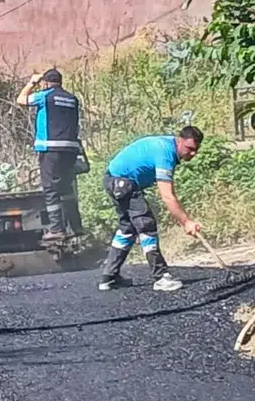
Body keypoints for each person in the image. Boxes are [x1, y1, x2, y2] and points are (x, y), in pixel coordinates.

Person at [98, 126, 204, 292]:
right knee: (146, 225)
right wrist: (186, 222)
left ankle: (109, 277)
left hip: (114, 180)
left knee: (127, 229)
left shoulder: (167, 147)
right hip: (122, 183)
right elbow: (167, 196)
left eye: (196, 150)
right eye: (189, 148)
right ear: (179, 140)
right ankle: (161, 277)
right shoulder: (165, 154)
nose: (192, 153)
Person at [16, 68, 84, 243]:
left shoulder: (44, 96)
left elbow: (21, 100)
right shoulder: (72, 99)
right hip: (70, 149)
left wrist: (32, 82)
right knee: (67, 188)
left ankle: (56, 229)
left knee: (50, 188)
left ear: (45, 83)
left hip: (50, 148)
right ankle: (76, 226)